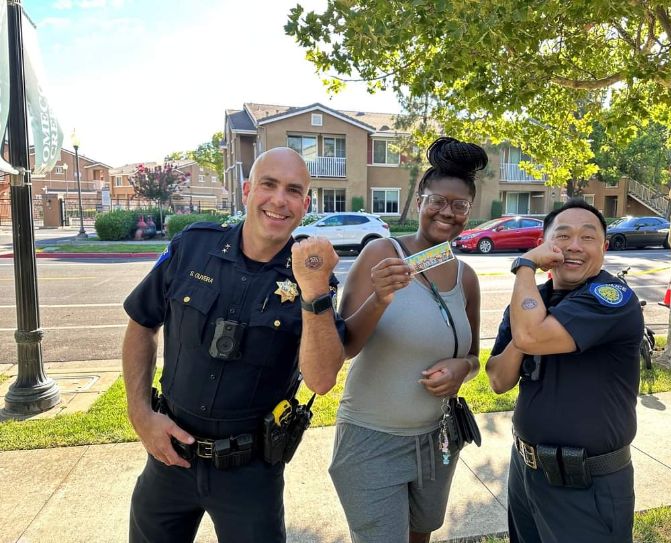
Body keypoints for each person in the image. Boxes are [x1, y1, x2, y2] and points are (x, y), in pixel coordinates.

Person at [121, 147, 345, 543]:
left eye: (293, 191)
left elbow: (322, 379)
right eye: (268, 185)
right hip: (169, 457)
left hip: (251, 473)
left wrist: (313, 289)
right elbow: (141, 322)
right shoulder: (193, 247)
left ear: (306, 204)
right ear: (246, 190)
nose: (279, 200)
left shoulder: (313, 274)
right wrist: (140, 414)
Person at [324, 137, 486, 543]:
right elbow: (344, 346)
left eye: (459, 205)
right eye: (437, 200)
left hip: (437, 439)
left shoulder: (465, 276)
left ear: (469, 212)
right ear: (419, 200)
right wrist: (380, 297)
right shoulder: (382, 253)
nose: (446, 212)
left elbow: (473, 357)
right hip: (372, 439)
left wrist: (461, 368)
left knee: (420, 536)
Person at [486, 199, 643, 543]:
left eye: (588, 238)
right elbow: (498, 379)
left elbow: (529, 334)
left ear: (602, 248)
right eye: (563, 235)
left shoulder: (611, 297)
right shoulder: (532, 299)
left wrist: (524, 265)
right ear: (547, 244)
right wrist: (529, 331)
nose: (574, 246)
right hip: (525, 471)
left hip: (584, 483)